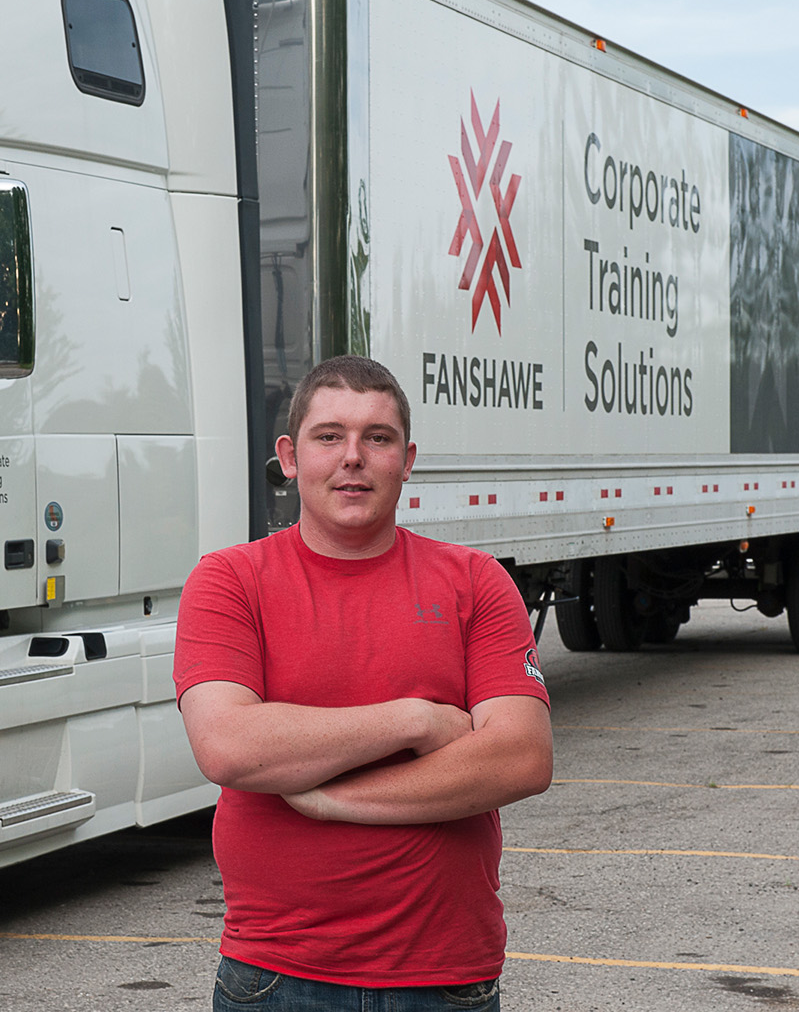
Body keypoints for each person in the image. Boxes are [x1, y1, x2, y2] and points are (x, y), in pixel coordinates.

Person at [174, 355, 553, 1011]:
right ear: (289, 456)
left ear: (405, 459)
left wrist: (326, 798)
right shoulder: (230, 581)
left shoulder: (474, 582)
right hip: (275, 979)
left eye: (376, 438)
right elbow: (230, 745)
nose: (352, 457)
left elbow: (519, 757)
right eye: (329, 436)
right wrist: (416, 720)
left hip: (444, 978)